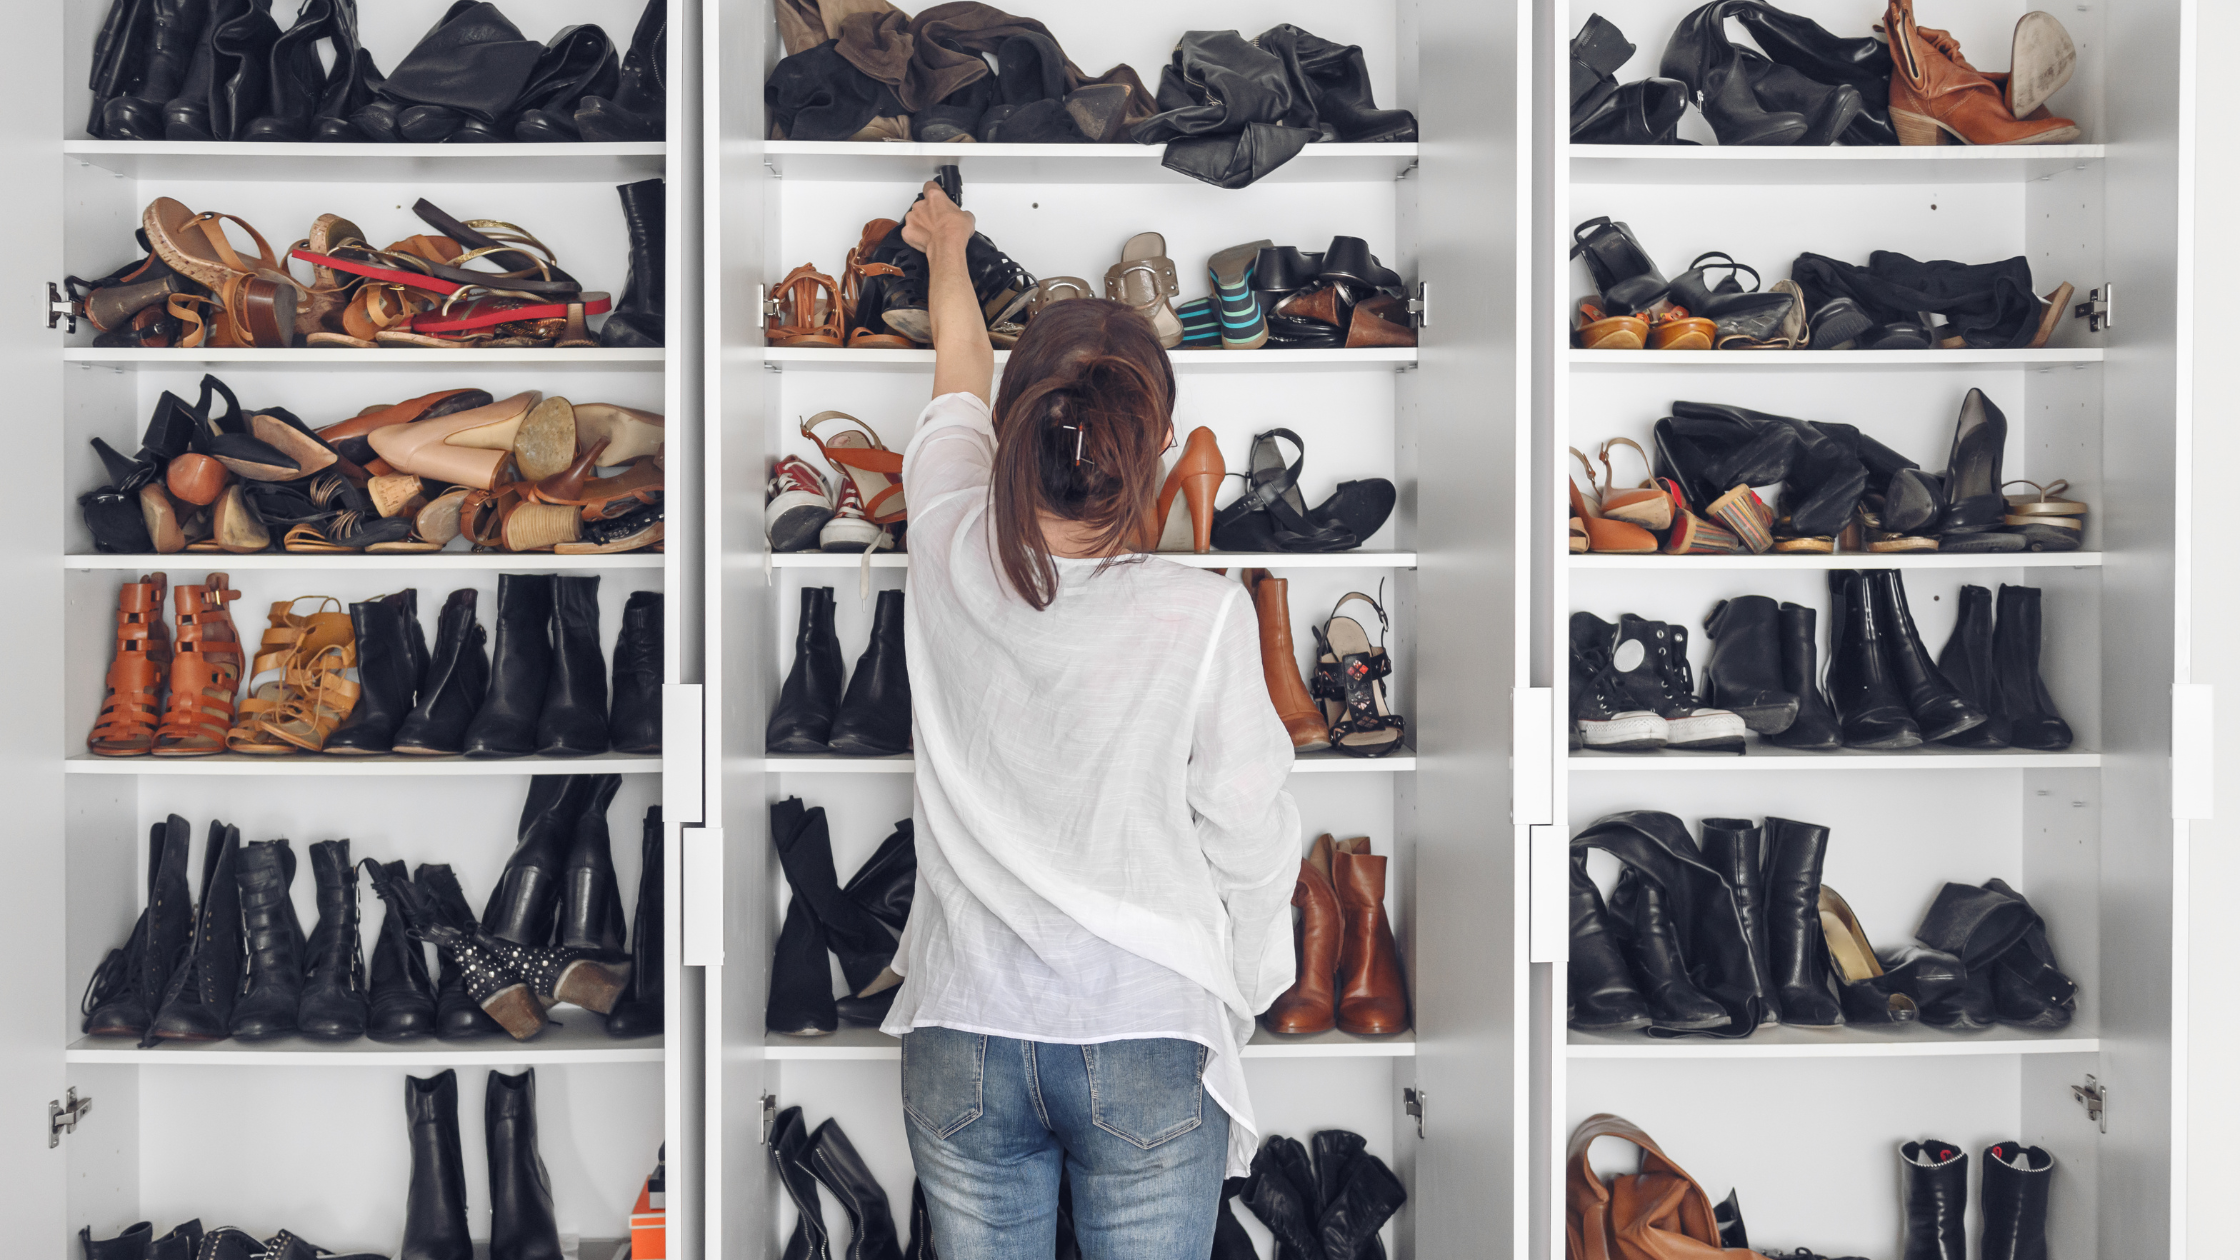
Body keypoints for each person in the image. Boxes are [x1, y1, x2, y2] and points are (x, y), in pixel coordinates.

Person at [877, 180, 1302, 1258]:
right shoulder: (1201, 615)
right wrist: (1244, 987)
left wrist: (947, 248)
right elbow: (1249, 834)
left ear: (1022, 427)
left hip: (961, 1026)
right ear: (1153, 449)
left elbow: (956, 383)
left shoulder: (943, 544)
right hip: (1143, 1029)